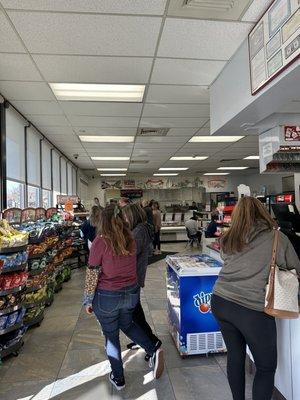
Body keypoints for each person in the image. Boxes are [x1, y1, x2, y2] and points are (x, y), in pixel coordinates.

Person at [211, 197, 300, 400]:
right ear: (262, 212)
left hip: (221, 300)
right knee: (266, 367)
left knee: (235, 356)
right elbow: (295, 268)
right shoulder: (277, 238)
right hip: (251, 308)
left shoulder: (227, 238)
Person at [83, 205, 164, 390]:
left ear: (103, 221)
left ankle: (118, 378)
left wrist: (88, 300)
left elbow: (92, 273)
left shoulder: (100, 241)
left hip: (107, 295)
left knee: (111, 336)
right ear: (121, 220)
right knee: (127, 324)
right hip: (131, 292)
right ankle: (153, 349)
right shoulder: (130, 239)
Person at [122, 203, 160, 359]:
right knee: (136, 312)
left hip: (133, 278)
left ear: (131, 216)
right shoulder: (140, 229)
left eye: (125, 216)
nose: (123, 219)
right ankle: (143, 340)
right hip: (135, 277)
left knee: (133, 315)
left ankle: (152, 342)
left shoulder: (138, 231)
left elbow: (128, 254)